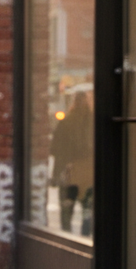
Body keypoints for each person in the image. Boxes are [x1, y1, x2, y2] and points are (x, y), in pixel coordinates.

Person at [50, 91, 94, 236]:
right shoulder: (93, 122)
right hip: (87, 174)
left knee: (67, 210)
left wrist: (56, 175)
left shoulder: (67, 122)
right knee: (87, 210)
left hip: (70, 172)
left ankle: (67, 237)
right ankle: (86, 238)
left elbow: (57, 151)